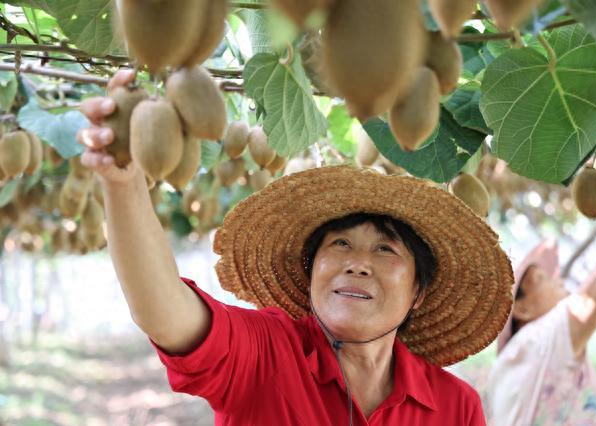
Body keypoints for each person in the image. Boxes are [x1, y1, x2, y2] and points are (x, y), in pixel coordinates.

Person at [77, 69, 515, 425]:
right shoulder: (263, 356)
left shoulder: (455, 407)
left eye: (386, 250)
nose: (357, 264)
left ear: (419, 292)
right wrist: (123, 183)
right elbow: (163, 310)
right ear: (311, 272)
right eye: (340, 244)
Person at [486, 231, 596, 426]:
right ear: (521, 309)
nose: (559, 281)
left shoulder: (508, 364)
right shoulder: (537, 339)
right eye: (542, 278)